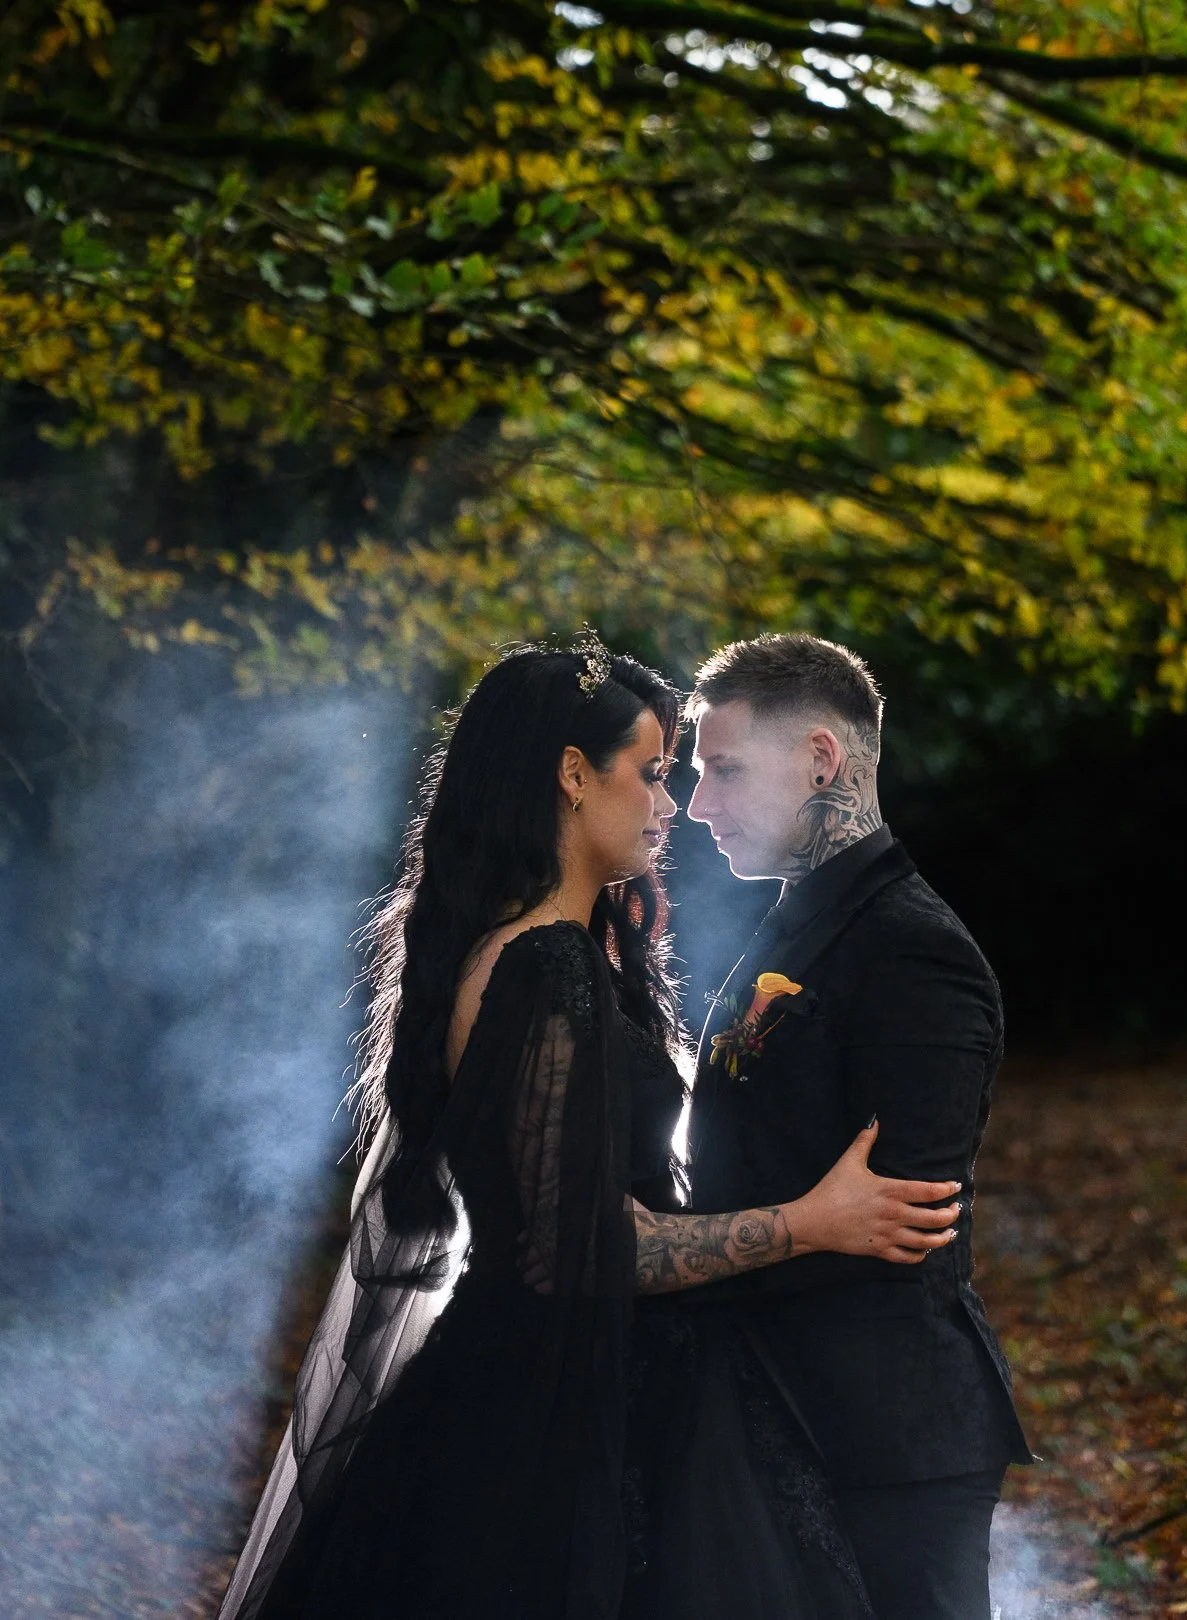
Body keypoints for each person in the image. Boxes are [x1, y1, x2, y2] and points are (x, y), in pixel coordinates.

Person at [217, 637, 962, 1620]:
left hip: (563, 1384)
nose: (670, 805)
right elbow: (574, 1249)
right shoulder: (542, 968)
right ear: (573, 774)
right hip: (560, 1411)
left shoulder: (556, 954)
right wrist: (806, 1221)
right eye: (652, 774)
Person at [684, 632, 1031, 1620]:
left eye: (723, 769)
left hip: (888, 1437)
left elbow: (900, 1217)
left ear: (821, 760)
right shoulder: (802, 914)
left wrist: (676, 1258)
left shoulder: (913, 949)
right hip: (789, 1414)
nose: (699, 804)